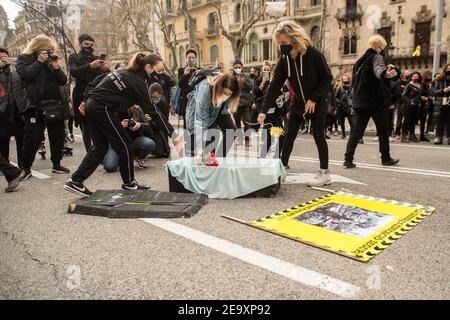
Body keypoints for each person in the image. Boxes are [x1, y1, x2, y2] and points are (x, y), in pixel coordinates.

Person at [64, 53, 183, 197]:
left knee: (100, 147)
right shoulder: (139, 82)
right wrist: (173, 135)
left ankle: (75, 181)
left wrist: (86, 99)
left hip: (94, 105)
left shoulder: (124, 72)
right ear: (148, 67)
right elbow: (153, 110)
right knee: (125, 144)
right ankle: (129, 183)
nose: (160, 74)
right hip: (103, 108)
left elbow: (100, 79)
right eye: (158, 71)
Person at [257, 21, 333, 187]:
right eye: (279, 44)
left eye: (284, 43)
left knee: (319, 135)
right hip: (298, 102)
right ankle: (282, 168)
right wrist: (263, 110)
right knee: (289, 134)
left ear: (293, 38)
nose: (281, 47)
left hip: (316, 102)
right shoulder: (284, 60)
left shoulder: (313, 55)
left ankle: (324, 173)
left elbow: (327, 77)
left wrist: (314, 98)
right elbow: (275, 85)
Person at [16, 34, 70, 180]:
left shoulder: (50, 61)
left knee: (57, 136)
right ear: (38, 48)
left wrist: (56, 67)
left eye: (51, 50)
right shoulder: (24, 58)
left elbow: (63, 81)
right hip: (35, 105)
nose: (49, 52)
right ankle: (26, 167)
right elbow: (26, 75)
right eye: (47, 49)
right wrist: (39, 62)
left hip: (54, 104)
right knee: (32, 137)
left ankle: (57, 164)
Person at [343, 34, 400, 168]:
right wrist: (386, 74)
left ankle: (348, 159)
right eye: (382, 47)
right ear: (378, 47)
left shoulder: (359, 61)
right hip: (376, 101)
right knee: (383, 131)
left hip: (360, 102)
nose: (383, 50)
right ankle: (385, 158)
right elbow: (379, 70)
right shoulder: (377, 57)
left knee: (356, 132)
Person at [69, 34, 110, 152]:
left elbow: (106, 77)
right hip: (81, 95)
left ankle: (100, 150)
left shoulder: (96, 58)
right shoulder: (74, 57)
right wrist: (90, 66)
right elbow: (73, 72)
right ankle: (90, 152)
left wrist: (105, 69)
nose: (89, 47)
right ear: (80, 43)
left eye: (91, 45)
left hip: (96, 95)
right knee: (85, 126)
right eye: (86, 44)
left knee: (98, 124)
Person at [185, 73, 240, 159]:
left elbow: (224, 108)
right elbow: (201, 121)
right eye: (224, 92)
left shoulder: (230, 90)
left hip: (217, 108)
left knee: (231, 131)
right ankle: (202, 160)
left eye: (229, 94)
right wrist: (200, 148)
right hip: (198, 111)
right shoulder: (205, 91)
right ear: (219, 87)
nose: (226, 96)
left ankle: (218, 159)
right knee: (210, 135)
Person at [103, 105, 156, 172]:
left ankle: (138, 156)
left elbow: (148, 126)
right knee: (110, 167)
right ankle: (119, 157)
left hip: (134, 141)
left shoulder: (138, 109)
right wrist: (119, 125)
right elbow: (106, 128)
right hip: (117, 143)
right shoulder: (113, 109)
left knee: (149, 143)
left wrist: (139, 125)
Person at [0, 48, 25, 168]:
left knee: (21, 140)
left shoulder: (15, 72)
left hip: (18, 111)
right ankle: (6, 168)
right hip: (3, 113)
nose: (3, 60)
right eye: (0, 58)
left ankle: (22, 165)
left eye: (5, 57)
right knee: (3, 142)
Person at [232, 59, 253, 147]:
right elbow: (228, 89)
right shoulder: (231, 77)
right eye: (236, 67)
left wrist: (244, 83)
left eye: (239, 67)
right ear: (233, 68)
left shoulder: (246, 76)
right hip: (235, 104)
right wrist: (236, 83)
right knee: (237, 123)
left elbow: (251, 87)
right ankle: (239, 139)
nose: (238, 69)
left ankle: (247, 139)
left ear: (242, 67)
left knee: (247, 122)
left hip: (246, 104)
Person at [177, 48, 200, 128]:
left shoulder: (199, 70)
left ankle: (196, 140)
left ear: (195, 59)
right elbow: (180, 85)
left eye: (193, 58)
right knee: (187, 125)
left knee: (197, 124)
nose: (191, 59)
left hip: (197, 100)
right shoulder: (181, 70)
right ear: (186, 59)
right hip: (186, 101)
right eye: (189, 58)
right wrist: (185, 74)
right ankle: (188, 140)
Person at [401, 72, 423, 143]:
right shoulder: (409, 85)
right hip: (409, 105)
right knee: (407, 121)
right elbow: (403, 95)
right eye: (414, 76)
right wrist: (410, 101)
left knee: (413, 121)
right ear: (411, 77)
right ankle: (403, 137)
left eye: (417, 76)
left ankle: (411, 136)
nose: (415, 77)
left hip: (416, 105)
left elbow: (418, 95)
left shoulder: (419, 85)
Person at [432, 64, 450, 145]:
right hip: (441, 103)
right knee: (440, 121)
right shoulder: (439, 80)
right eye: (448, 69)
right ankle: (438, 137)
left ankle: (448, 137)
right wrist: (443, 90)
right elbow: (433, 92)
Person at [335, 74, 353, 139]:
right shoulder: (340, 87)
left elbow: (352, 96)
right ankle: (343, 134)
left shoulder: (351, 87)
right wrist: (340, 102)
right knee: (342, 122)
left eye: (346, 79)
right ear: (342, 80)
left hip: (349, 106)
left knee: (352, 122)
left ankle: (352, 135)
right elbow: (336, 97)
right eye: (344, 79)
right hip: (341, 107)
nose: (345, 80)